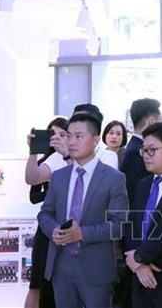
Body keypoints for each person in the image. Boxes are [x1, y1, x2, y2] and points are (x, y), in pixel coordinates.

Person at [37, 112, 129, 308]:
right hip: (61, 266)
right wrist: (54, 229)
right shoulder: (59, 176)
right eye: (68, 136)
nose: (71, 141)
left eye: (79, 136)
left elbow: (119, 225)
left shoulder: (113, 178)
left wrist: (82, 233)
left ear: (95, 140)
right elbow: (45, 213)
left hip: (96, 268)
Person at [124, 122, 162, 308]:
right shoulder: (143, 185)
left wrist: (139, 257)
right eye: (144, 151)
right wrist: (137, 264)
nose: (146, 156)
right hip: (139, 277)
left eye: (152, 150)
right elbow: (131, 225)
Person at [24, 116, 68, 308]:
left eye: (63, 134)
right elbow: (32, 178)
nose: (57, 138)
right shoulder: (54, 158)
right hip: (48, 228)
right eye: (53, 134)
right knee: (38, 284)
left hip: (72, 229)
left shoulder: (88, 157)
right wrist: (33, 151)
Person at [121, 98, 162, 207]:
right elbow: (137, 197)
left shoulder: (135, 147)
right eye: (161, 120)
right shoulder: (136, 154)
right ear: (152, 122)